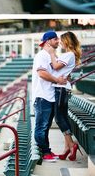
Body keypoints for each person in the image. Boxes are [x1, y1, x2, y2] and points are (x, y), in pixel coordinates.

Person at [45, 31, 83, 161]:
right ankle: (67, 147)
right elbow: (56, 67)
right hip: (62, 89)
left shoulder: (69, 54)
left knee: (59, 118)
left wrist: (51, 53)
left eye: (61, 40)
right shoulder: (68, 55)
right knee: (63, 117)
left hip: (61, 89)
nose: (60, 42)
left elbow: (55, 66)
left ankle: (71, 145)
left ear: (67, 41)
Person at [32, 30, 67, 162]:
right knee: (41, 127)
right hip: (42, 97)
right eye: (55, 39)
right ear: (48, 41)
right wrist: (58, 80)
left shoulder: (51, 56)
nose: (58, 41)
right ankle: (44, 153)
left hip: (50, 96)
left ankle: (47, 151)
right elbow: (42, 73)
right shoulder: (41, 55)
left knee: (45, 127)